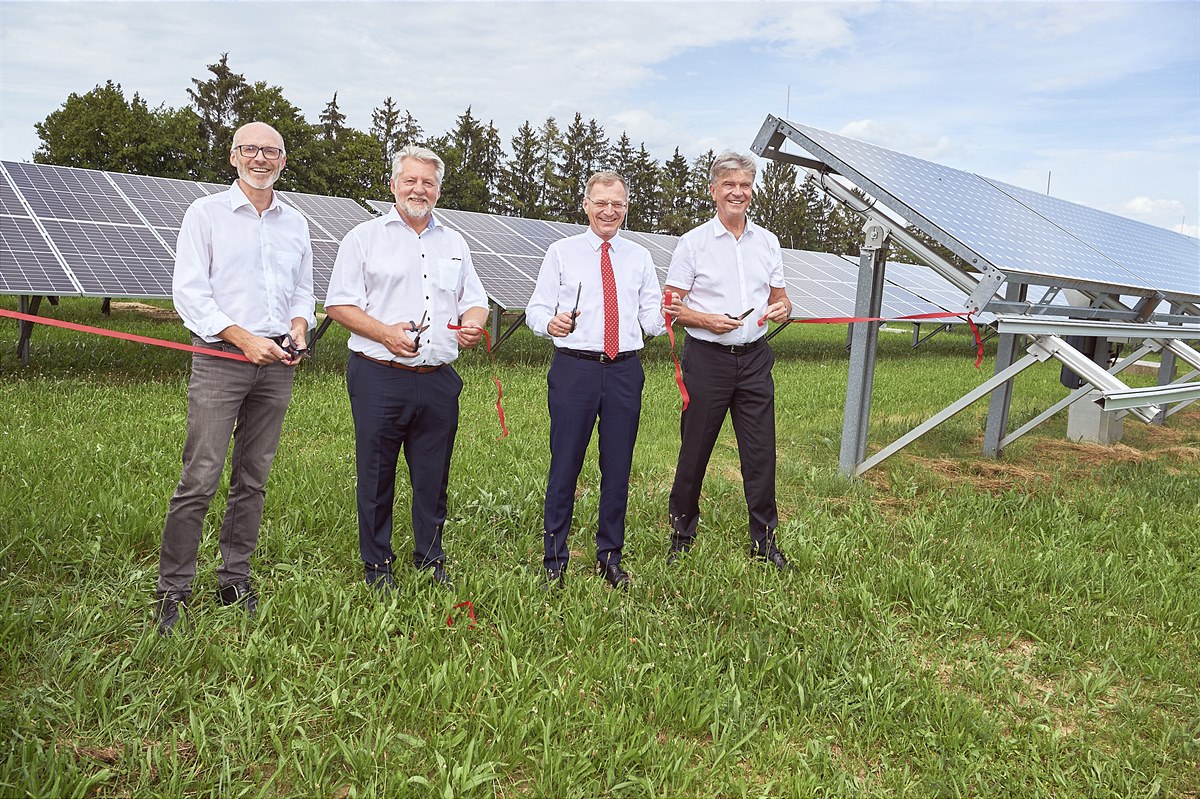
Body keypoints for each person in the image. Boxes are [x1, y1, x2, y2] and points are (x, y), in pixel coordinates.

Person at [157, 121, 316, 635]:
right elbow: (190, 292)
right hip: (223, 356)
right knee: (200, 475)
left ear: (284, 161)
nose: (261, 158)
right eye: (250, 149)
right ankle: (173, 590)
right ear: (233, 157)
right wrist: (243, 338)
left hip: (276, 365)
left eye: (271, 151)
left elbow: (302, 292)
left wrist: (298, 328)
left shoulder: (295, 223)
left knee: (254, 476)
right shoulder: (205, 215)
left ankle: (234, 579)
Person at [325, 145, 488, 593]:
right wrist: (384, 333)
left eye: (428, 182)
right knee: (376, 475)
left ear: (438, 190)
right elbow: (339, 304)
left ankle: (430, 558)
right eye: (411, 180)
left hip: (437, 380)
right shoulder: (363, 238)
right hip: (380, 374)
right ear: (393, 184)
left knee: (433, 478)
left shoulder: (454, 242)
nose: (420, 189)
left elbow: (474, 299)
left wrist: (474, 323)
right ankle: (378, 566)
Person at [526, 171, 666, 590]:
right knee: (565, 464)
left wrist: (668, 315)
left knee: (618, 467)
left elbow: (652, 317)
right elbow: (535, 309)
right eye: (601, 203)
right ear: (586, 205)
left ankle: (610, 556)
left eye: (618, 204)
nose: (610, 211)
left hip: (625, 370)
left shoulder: (639, 257)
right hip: (575, 369)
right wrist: (550, 322)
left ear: (626, 208)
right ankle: (554, 558)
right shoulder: (561, 252)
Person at [663, 151, 794, 570]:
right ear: (713, 190)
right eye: (729, 185)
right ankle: (681, 534)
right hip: (706, 360)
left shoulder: (768, 242)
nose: (738, 192)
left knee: (760, 453)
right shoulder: (693, 243)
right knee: (695, 449)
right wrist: (706, 320)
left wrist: (783, 309)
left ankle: (765, 541)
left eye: (745, 185)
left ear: (751, 192)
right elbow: (670, 307)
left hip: (755, 359)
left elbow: (780, 299)